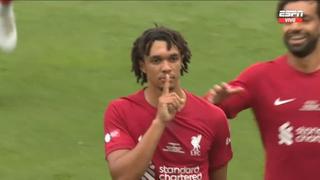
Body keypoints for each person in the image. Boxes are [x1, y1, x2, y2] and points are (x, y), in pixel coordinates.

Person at [205, 0, 320, 180]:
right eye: (288, 20)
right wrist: (211, 103)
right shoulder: (260, 77)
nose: (295, 27)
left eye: (305, 19)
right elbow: (199, 116)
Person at [104, 26, 232, 180]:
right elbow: (123, 176)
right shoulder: (121, 111)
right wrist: (159, 122)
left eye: (173, 59)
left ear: (181, 60)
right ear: (142, 65)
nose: (166, 68)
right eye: (156, 60)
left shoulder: (213, 117)